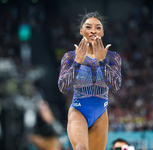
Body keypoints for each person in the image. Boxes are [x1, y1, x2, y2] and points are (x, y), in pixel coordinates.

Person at [58, 11, 122, 150]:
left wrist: (102, 61)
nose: (93, 31)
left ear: (103, 32)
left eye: (98, 27)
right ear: (81, 31)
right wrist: (77, 62)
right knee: (81, 148)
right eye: (88, 27)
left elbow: (116, 86)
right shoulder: (70, 56)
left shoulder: (112, 57)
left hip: (101, 114)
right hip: (78, 111)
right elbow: (63, 87)